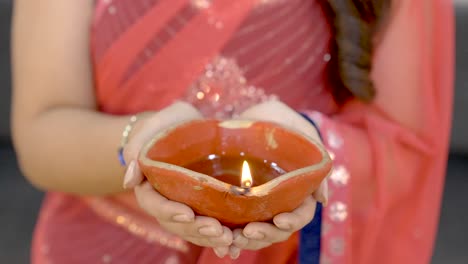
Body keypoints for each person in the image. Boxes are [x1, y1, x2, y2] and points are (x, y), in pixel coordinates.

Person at [10, 0, 454, 263]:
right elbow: (42, 131)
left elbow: (405, 150)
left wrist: (305, 152)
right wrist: (141, 144)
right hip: (99, 249)